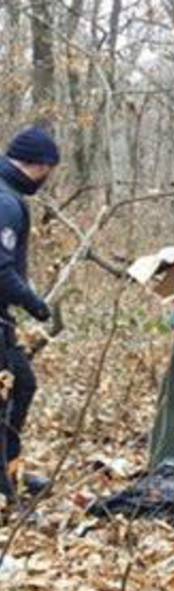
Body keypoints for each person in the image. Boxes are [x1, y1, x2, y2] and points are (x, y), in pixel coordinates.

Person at [0, 127, 60, 502]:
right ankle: (5, 492)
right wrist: (34, 302)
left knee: (22, 384)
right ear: (40, 166)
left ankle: (12, 468)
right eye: (49, 170)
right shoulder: (6, 202)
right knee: (6, 397)